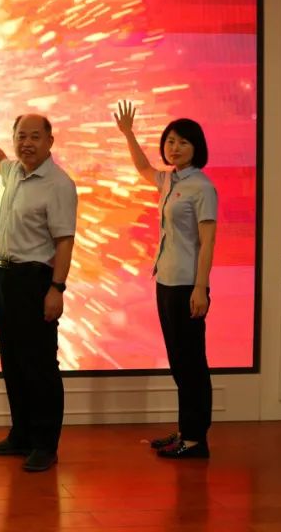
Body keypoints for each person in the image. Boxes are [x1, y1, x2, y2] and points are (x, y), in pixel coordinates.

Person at [0, 100, 77, 472]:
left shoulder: (58, 184)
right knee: (13, 359)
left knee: (39, 363)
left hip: (35, 279)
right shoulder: (15, 172)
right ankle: (22, 435)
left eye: (34, 137)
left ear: (50, 141)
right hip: (4, 276)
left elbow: (64, 241)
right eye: (20, 136)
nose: (26, 143)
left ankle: (45, 444)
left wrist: (57, 288)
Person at [115, 101, 216, 459]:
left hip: (188, 284)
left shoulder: (202, 187)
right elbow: (143, 167)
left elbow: (208, 242)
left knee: (192, 364)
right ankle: (185, 430)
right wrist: (128, 133)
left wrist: (201, 288)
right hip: (166, 281)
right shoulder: (170, 179)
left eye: (183, 142)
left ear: (196, 148)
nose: (175, 147)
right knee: (179, 362)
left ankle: (195, 439)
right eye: (170, 141)